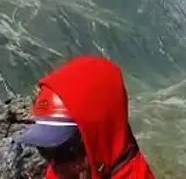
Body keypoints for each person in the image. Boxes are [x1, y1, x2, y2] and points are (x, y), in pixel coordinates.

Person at [16, 56, 156, 179]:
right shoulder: (70, 169)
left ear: (94, 141)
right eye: (44, 151)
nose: (54, 166)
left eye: (65, 153)